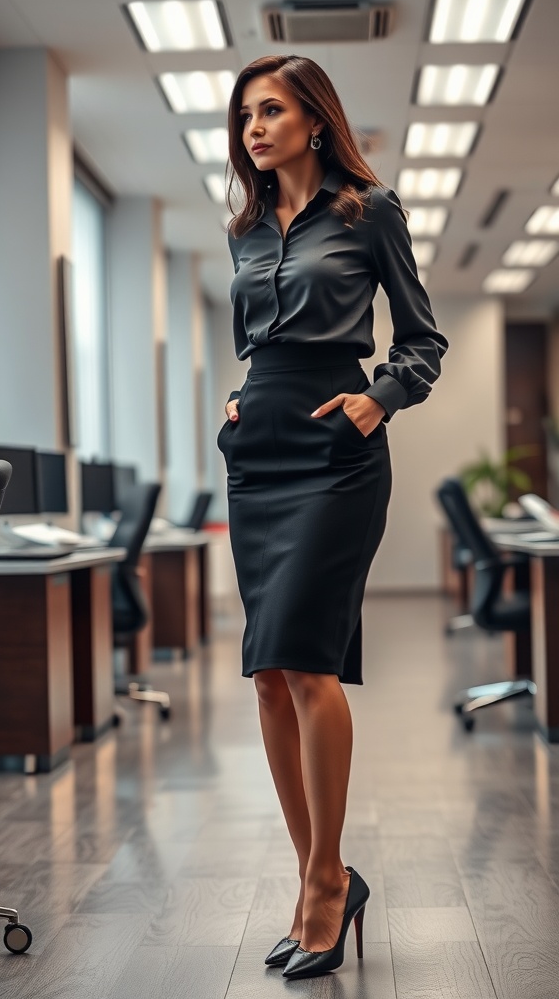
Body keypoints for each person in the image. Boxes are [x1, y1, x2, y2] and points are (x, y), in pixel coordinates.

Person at [217, 54, 448, 980]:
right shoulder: (242, 230)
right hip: (257, 450)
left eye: (270, 110)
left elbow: (422, 337)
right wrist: (240, 398)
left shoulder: (370, 210)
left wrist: (379, 398)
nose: (254, 129)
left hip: (333, 448)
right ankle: (322, 874)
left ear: (315, 120)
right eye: (244, 117)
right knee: (268, 672)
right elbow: (259, 339)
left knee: (310, 663)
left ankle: (323, 882)